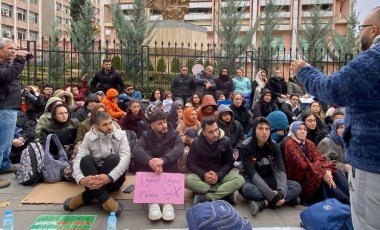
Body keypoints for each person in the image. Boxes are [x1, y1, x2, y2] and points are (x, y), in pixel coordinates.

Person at [291, 8, 380, 227]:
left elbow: (333, 90)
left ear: (374, 30)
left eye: (362, 28)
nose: (361, 33)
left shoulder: (373, 60)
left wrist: (305, 70)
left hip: (372, 165)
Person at [64, 112, 130, 217]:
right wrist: (81, 179)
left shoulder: (121, 135)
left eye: (110, 123)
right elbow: (78, 159)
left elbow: (126, 159)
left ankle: (85, 197)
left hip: (114, 179)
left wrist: (109, 177)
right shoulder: (88, 136)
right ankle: (106, 200)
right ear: (96, 126)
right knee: (85, 159)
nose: (109, 127)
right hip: (93, 176)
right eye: (105, 124)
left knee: (114, 158)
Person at [239, 117, 301, 216]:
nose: (264, 132)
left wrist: (280, 193)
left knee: (296, 186)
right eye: (260, 128)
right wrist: (272, 196)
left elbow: (281, 171)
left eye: (267, 129)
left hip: (270, 179)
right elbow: (252, 174)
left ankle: (263, 203)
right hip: (252, 180)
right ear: (254, 130)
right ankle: (286, 200)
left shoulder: (274, 145)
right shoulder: (246, 146)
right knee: (248, 190)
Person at [133, 109, 184, 221]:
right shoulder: (146, 135)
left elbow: (179, 148)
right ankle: (152, 201)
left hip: (168, 169)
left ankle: (168, 201)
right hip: (152, 170)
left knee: (170, 155)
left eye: (164, 121)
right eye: (159, 123)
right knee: (145, 155)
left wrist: (163, 160)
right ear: (152, 125)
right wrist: (150, 161)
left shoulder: (174, 134)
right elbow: (136, 149)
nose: (164, 125)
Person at [282, 121, 349, 205]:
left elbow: (319, 158)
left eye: (305, 129)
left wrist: (327, 170)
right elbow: (302, 166)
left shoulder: (307, 142)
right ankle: (340, 201)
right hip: (301, 176)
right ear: (293, 130)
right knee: (321, 179)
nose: (303, 131)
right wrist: (322, 173)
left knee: (334, 171)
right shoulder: (289, 144)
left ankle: (348, 195)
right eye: (299, 129)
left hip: (312, 170)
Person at [185, 116, 245, 204]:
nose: (215, 134)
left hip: (221, 175)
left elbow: (229, 163)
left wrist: (218, 175)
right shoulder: (196, 142)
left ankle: (208, 197)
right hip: (201, 176)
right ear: (204, 132)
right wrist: (204, 174)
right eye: (210, 132)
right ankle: (224, 193)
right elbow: (190, 163)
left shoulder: (226, 141)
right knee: (187, 181)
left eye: (216, 130)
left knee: (240, 179)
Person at [0, 37, 29, 188]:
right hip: (3, 107)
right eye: (10, 48)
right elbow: (7, 76)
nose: (14, 51)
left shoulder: (6, 64)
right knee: (2, 142)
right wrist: (19, 60)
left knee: (6, 142)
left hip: (9, 107)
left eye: (15, 49)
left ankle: (4, 165)